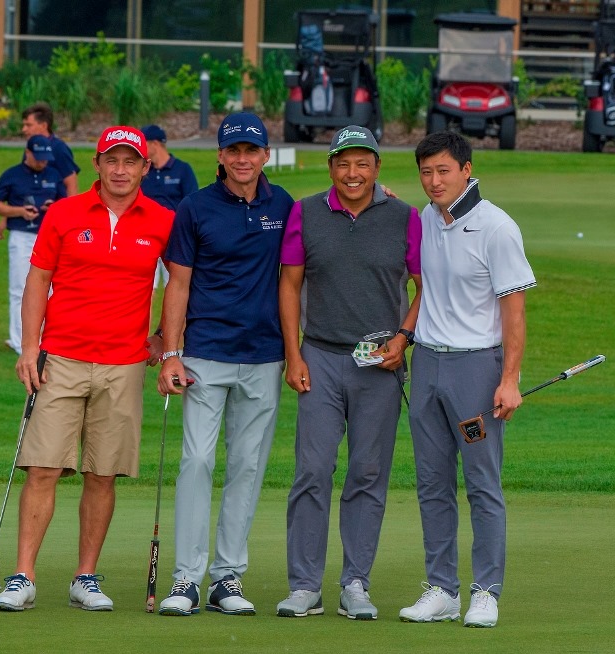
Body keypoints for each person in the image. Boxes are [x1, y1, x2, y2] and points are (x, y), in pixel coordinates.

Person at [0, 126, 174, 612]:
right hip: (61, 358)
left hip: (124, 364)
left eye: (130, 161)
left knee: (103, 473)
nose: (120, 170)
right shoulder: (64, 213)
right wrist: (29, 347)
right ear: (96, 164)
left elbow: (182, 283)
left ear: (145, 167)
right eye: (111, 160)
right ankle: (23, 576)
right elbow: (38, 280)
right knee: (43, 467)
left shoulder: (162, 220)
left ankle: (85, 577)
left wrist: (164, 336)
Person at [275, 125, 422, 620]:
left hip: (380, 363)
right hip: (319, 356)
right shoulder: (306, 212)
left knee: (367, 472)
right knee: (312, 470)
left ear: (377, 167)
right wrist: (293, 354)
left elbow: (425, 287)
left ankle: (355, 582)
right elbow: (289, 285)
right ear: (331, 167)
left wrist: (404, 338)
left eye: (362, 163)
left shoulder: (405, 217)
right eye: (343, 163)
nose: (352, 173)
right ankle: (304, 586)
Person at [156, 112, 293, 617]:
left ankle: (227, 577)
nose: (242, 159)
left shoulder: (284, 206)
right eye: (233, 150)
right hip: (204, 354)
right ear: (220, 155)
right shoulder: (195, 207)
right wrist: (170, 352)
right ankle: (186, 578)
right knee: (197, 461)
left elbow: (308, 259)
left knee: (247, 465)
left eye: (251, 151)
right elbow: (178, 284)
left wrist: (381, 197)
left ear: (265, 156)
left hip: (263, 354)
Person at [398, 131, 535, 628]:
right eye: (426, 172)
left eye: (443, 171)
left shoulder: (497, 228)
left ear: (466, 170)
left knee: (481, 484)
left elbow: (514, 313)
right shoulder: (426, 219)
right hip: (427, 367)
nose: (434, 181)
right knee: (432, 483)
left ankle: (486, 592)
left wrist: (509, 379)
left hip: (477, 370)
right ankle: (441, 589)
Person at [0, 135, 67, 355]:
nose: (43, 162)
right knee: (19, 287)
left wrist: (54, 207)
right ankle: (18, 340)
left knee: (50, 287)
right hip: (22, 235)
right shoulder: (12, 175)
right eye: (39, 157)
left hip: (49, 236)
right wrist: (19, 212)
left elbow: (65, 203)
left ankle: (45, 338)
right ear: (28, 153)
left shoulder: (53, 174)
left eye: (45, 158)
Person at [139, 124, 199, 291]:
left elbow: (193, 205)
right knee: (144, 289)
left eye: (143, 144)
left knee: (176, 287)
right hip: (145, 236)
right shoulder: (143, 172)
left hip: (175, 238)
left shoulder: (183, 170)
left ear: (155, 144)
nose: (140, 150)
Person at [21, 102, 80, 196]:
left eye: (29, 125)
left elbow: (71, 183)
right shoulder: (30, 148)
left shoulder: (58, 148)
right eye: (24, 125)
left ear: (44, 126)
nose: (23, 129)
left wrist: (71, 206)